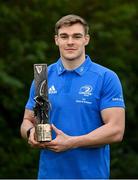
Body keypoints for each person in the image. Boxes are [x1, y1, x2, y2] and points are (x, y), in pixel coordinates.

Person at [20, 14, 125, 179]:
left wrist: (72, 142)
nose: (70, 42)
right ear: (56, 40)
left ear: (86, 39)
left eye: (76, 36)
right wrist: (30, 132)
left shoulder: (105, 77)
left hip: (91, 176)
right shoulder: (42, 77)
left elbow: (116, 130)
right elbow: (27, 120)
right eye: (64, 36)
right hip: (49, 175)